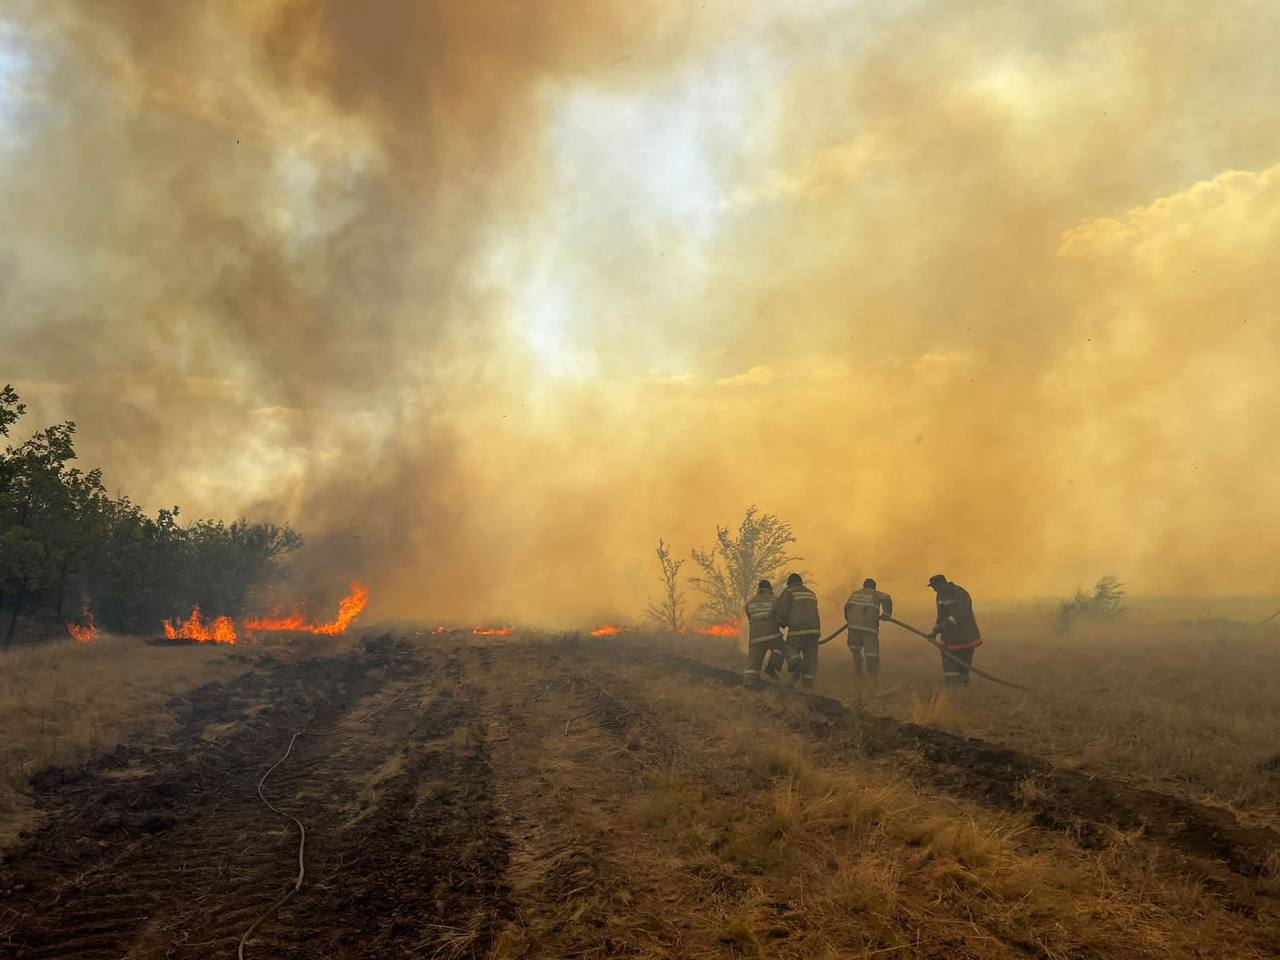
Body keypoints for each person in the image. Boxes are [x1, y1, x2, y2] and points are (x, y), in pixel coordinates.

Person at [927, 574, 981, 685]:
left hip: (965, 637)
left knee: (963, 671)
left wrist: (941, 628)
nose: (934, 590)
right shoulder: (940, 595)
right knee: (950, 672)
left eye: (935, 587)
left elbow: (958, 616)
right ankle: (952, 689)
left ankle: (962, 690)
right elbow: (941, 616)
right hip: (949, 640)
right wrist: (935, 631)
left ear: (942, 584)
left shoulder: (959, 594)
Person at [743, 580, 795, 687]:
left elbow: (750, 619)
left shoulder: (750, 603)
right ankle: (773, 666)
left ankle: (748, 684)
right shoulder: (774, 600)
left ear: (759, 589)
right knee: (782, 647)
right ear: (770, 589)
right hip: (772, 636)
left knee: (752, 664)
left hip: (755, 639)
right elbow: (780, 617)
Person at [774, 573, 820, 689]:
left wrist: (781, 622)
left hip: (797, 630)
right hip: (814, 631)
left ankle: (797, 666)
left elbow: (782, 611)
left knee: (789, 649)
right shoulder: (811, 593)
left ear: (789, 583)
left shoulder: (788, 592)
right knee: (811, 658)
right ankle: (808, 687)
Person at [844, 578, 892, 679]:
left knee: (855, 648)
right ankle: (872, 674)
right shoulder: (875, 594)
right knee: (871, 652)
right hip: (869, 628)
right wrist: (887, 614)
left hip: (853, 627)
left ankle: (858, 669)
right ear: (874, 587)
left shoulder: (854, 594)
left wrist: (850, 620)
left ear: (864, 586)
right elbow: (887, 598)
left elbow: (846, 607)